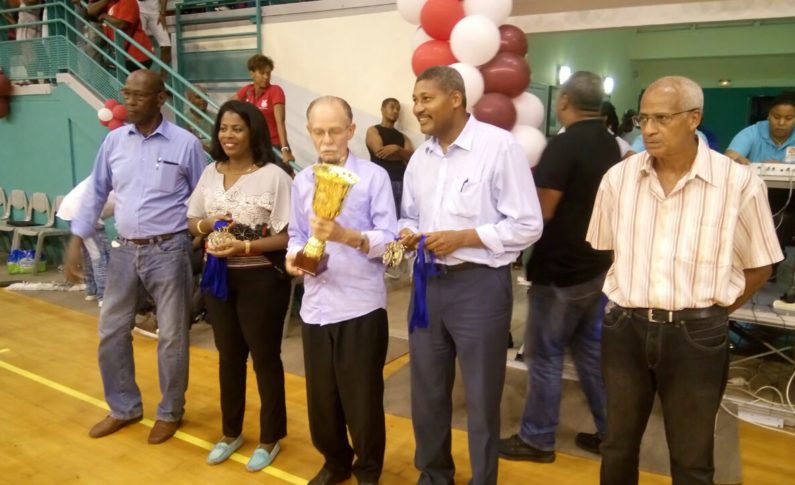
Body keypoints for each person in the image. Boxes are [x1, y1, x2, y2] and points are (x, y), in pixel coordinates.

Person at [586, 76, 782, 485]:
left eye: (662, 118)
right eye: (643, 118)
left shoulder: (737, 182)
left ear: (694, 118)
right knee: (617, 445)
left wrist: (711, 312)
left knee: (692, 457)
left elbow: (760, 263)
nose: (649, 129)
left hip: (697, 333)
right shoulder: (618, 180)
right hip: (625, 326)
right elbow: (608, 246)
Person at [398, 66, 543, 485]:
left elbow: (528, 224)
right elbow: (408, 214)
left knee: (481, 398)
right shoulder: (419, 159)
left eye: (426, 98)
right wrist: (408, 233)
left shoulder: (499, 148)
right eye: (416, 99)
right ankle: (434, 475)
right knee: (426, 392)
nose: (417, 108)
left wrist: (466, 237)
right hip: (428, 284)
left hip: (479, 287)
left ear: (456, 99)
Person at [65, 69, 205, 444]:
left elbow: (202, 198)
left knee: (172, 336)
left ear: (160, 99)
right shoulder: (113, 142)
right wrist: (78, 239)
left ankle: (170, 411)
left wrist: (194, 242)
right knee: (111, 330)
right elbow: (96, 191)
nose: (128, 101)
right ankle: (124, 407)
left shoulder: (186, 144)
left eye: (138, 96)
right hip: (125, 250)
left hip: (169, 250)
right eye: (126, 94)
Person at [499, 71, 620, 464]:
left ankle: (537, 439)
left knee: (546, 355)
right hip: (597, 265)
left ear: (563, 101)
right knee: (589, 354)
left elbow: (543, 210)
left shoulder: (564, 145)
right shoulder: (611, 144)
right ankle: (612, 436)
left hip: (562, 270)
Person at [285, 96, 397, 485]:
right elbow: (296, 236)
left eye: (335, 130)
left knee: (362, 402)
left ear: (351, 131)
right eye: (319, 131)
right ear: (310, 132)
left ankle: (367, 471)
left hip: (361, 306)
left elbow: (391, 241)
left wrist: (348, 237)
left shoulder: (374, 178)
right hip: (316, 308)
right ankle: (335, 463)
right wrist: (293, 258)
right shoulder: (302, 181)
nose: (327, 139)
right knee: (322, 402)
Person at [187, 100, 293, 471]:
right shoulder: (209, 173)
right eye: (223, 128)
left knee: (264, 358)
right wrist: (207, 225)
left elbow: (286, 236)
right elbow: (192, 220)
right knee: (228, 357)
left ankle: (269, 438)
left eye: (237, 128)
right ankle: (230, 433)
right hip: (218, 277)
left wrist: (244, 245)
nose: (228, 135)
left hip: (261, 278)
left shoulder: (274, 176)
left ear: (253, 133)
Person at [57, 177, 115, 307]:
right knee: (101, 255)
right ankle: (104, 296)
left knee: (90, 254)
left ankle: (92, 291)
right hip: (84, 212)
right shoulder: (125, 182)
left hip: (70, 208)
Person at [236, 54, 295, 165]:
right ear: (252, 73)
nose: (266, 77)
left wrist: (285, 149)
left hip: (274, 145)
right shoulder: (247, 90)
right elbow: (229, 107)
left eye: (268, 73)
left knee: (283, 178)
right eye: (262, 73)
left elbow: (280, 122)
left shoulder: (275, 90)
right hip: (255, 146)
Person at [365, 97, 415, 214]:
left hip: (402, 184)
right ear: (382, 109)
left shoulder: (403, 137)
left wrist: (396, 149)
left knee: (399, 220)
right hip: (381, 183)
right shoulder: (373, 130)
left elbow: (413, 159)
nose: (395, 111)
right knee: (381, 218)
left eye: (398, 109)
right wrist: (402, 154)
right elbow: (380, 153)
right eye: (392, 107)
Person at [725, 92, 795, 165]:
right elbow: (729, 157)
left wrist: (781, 168)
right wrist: (754, 166)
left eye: (788, 118)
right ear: (768, 116)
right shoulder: (753, 132)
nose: (781, 123)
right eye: (776, 117)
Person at [87, 0, 155, 72]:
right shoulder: (110, 2)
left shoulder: (128, 1)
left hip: (136, 53)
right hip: (121, 51)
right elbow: (91, 11)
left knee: (131, 81)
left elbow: (122, 24)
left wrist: (105, 16)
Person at [136, 0, 171, 79]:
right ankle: (140, 75)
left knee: (166, 46)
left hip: (156, 13)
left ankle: (163, 78)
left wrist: (162, 13)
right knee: (139, 44)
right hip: (139, 10)